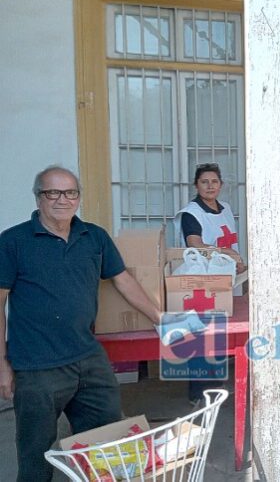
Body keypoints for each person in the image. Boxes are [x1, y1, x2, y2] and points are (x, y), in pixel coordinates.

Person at [0, 165, 161, 482]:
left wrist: (162, 318)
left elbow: (123, 280)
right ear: (38, 198)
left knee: (105, 445)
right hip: (36, 367)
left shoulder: (94, 237)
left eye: (71, 192)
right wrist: (2, 364)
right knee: (37, 456)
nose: (63, 199)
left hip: (89, 359)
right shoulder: (12, 242)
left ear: (78, 197)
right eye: (53, 192)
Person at [175, 162, 245, 405]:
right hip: (202, 282)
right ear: (196, 185)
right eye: (204, 182)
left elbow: (231, 242)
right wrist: (226, 253)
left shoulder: (225, 208)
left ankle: (215, 385)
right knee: (201, 334)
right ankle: (198, 393)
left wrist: (237, 260)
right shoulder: (191, 213)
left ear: (221, 185)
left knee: (220, 332)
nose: (210, 186)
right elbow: (195, 243)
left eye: (214, 181)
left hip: (225, 279)